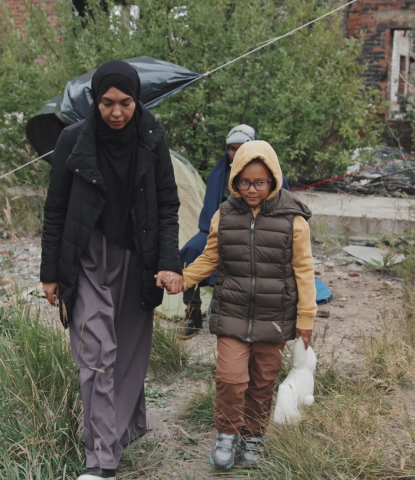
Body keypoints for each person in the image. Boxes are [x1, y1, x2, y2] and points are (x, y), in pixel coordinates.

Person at [40, 60, 182, 480]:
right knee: (96, 353)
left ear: (137, 100)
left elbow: (168, 205)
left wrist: (169, 263)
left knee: (128, 353)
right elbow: (55, 210)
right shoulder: (72, 141)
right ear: (95, 101)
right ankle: (101, 459)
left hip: (138, 257)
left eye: (125, 103)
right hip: (85, 258)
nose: (116, 112)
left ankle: (129, 425)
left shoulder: (152, 138)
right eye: (106, 103)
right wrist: (50, 272)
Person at [168, 140, 316, 469]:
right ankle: (226, 434)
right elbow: (210, 258)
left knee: (262, 384)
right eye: (244, 181)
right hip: (232, 311)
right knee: (232, 379)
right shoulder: (225, 214)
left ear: (273, 179)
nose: (252, 189)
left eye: (260, 181)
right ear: (234, 179)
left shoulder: (294, 219)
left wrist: (306, 317)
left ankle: (253, 437)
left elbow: (305, 271)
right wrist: (184, 279)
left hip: (274, 317)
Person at [178, 125, 289, 337]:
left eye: (241, 147)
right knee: (190, 251)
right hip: (219, 228)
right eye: (232, 148)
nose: (235, 153)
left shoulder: (269, 171)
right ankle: (193, 313)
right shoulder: (220, 172)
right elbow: (210, 212)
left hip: (258, 231)